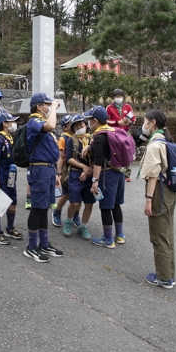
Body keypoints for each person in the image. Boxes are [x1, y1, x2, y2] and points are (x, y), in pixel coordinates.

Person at [23, 92, 64, 263]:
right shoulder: (34, 121)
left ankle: (44, 243)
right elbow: (51, 125)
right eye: (46, 104)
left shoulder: (41, 121)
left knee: (44, 207)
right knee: (37, 207)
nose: (49, 106)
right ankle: (32, 246)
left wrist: (55, 172)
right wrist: (54, 108)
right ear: (39, 107)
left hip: (47, 169)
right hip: (38, 170)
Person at [138, 109, 176, 289]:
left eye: (145, 121)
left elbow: (153, 175)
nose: (143, 125)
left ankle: (163, 278)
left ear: (152, 123)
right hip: (169, 191)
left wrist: (148, 200)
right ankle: (168, 273)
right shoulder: (164, 140)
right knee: (167, 234)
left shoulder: (155, 145)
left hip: (159, 193)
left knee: (159, 235)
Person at [84, 105, 126, 248]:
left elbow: (97, 162)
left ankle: (108, 239)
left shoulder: (99, 137)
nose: (88, 123)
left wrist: (94, 181)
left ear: (95, 121)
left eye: (90, 120)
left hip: (107, 175)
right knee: (116, 204)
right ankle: (120, 235)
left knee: (105, 207)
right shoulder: (113, 131)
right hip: (119, 173)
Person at [0, 112, 24, 245]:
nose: (14, 124)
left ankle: (10, 228)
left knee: (12, 202)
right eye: (12, 121)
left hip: (11, 177)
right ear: (4, 123)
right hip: (1, 177)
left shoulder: (10, 138)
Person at [62, 114, 94, 240]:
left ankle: (83, 226)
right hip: (75, 174)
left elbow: (96, 158)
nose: (81, 127)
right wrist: (83, 167)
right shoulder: (72, 140)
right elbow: (69, 158)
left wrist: (88, 171)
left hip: (90, 174)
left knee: (89, 203)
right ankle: (68, 222)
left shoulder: (92, 140)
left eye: (82, 124)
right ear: (74, 128)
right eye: (77, 126)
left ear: (86, 125)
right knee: (74, 202)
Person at [52, 115, 80, 228]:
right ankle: (57, 212)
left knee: (80, 194)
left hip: (78, 168)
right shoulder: (64, 138)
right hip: (67, 169)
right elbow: (60, 157)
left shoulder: (79, 136)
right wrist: (59, 173)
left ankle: (76, 215)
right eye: (70, 123)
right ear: (65, 127)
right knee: (66, 194)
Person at [106, 88, 136, 182]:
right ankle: (118, 170)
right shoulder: (109, 107)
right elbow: (106, 120)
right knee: (116, 152)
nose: (118, 98)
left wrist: (129, 121)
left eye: (120, 96)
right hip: (114, 132)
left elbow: (133, 118)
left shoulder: (127, 107)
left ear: (123, 97)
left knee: (128, 151)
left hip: (125, 132)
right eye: (116, 96)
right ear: (114, 97)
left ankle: (127, 174)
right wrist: (117, 122)